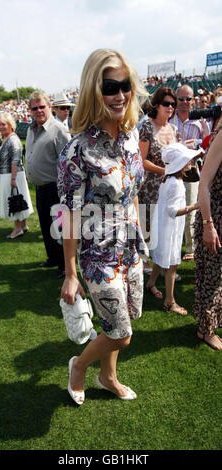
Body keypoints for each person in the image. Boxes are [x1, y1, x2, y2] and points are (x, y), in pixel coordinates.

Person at [57, 48, 149, 405]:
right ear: (94, 89)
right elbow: (69, 213)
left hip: (130, 248)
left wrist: (142, 236)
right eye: (110, 86)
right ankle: (79, 366)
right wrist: (69, 273)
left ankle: (107, 376)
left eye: (125, 85)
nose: (120, 95)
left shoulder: (130, 135)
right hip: (98, 255)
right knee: (122, 333)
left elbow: (135, 192)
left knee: (123, 322)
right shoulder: (77, 150)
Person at [149, 143, 200, 315]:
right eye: (187, 161)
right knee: (172, 266)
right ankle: (169, 301)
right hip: (170, 230)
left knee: (159, 258)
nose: (190, 163)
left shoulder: (168, 179)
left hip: (164, 227)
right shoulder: (176, 184)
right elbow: (172, 211)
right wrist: (193, 206)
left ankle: (150, 283)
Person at [25, 90, 70, 279]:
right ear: (30, 110)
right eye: (34, 108)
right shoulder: (30, 129)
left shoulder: (58, 129)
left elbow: (68, 160)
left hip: (55, 188)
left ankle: (64, 265)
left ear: (49, 106)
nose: (39, 111)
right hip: (40, 188)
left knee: (58, 228)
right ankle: (52, 258)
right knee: (45, 225)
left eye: (42, 106)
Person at [138, 86, 178, 293]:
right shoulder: (146, 126)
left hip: (170, 188)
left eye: (173, 104)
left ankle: (160, 267)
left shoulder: (173, 129)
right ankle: (144, 266)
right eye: (166, 103)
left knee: (164, 230)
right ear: (157, 105)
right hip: (150, 187)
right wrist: (165, 170)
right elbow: (141, 160)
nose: (170, 107)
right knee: (149, 229)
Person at [170, 85, 210, 261]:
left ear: (193, 101)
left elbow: (208, 145)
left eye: (188, 99)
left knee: (190, 210)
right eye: (181, 99)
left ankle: (190, 248)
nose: (185, 102)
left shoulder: (200, 121)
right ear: (176, 100)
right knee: (171, 210)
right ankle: (171, 246)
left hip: (192, 170)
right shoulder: (170, 120)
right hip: (171, 171)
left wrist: (197, 147)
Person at [193, 124, 222, 350]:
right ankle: (205, 330)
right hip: (214, 217)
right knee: (212, 278)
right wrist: (208, 225)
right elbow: (204, 184)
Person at [0, 112, 33, 238]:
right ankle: (23, 225)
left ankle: (17, 229)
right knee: (18, 199)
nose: (1, 127)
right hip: (9, 175)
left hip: (13, 175)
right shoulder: (6, 138)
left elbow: (15, 160)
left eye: (3, 124)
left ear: (10, 125)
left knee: (14, 200)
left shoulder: (13, 139)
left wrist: (13, 178)